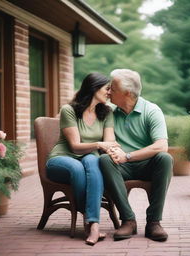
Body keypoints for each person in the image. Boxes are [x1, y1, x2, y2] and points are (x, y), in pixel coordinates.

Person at [46, 72, 119, 246]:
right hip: (61, 159)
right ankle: (90, 219)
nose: (109, 93)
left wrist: (104, 145)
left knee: (93, 162)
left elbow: (110, 142)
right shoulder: (69, 110)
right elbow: (75, 146)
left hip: (89, 158)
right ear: (94, 88)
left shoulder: (107, 113)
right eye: (106, 88)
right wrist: (100, 144)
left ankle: (93, 225)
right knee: (77, 168)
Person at [100, 69, 173, 242]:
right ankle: (128, 220)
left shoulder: (151, 110)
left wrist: (128, 156)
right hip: (120, 166)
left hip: (146, 165)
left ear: (126, 93)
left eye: (113, 89)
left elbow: (162, 146)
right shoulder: (109, 111)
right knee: (104, 160)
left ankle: (154, 222)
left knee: (165, 158)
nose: (108, 92)